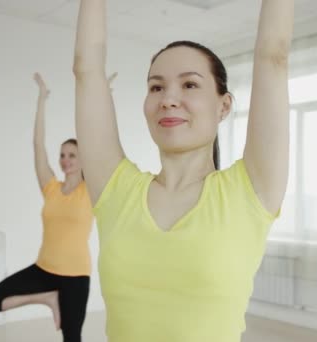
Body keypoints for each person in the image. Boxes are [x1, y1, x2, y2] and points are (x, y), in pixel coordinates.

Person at [72, 0, 294, 340]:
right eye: (156, 87)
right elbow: (86, 69)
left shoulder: (250, 190)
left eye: (189, 84)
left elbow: (273, 56)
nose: (168, 99)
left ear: (224, 106)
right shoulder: (116, 191)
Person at [0, 73, 94, 342]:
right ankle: (47, 298)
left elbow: (98, 143)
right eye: (62, 155)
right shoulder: (51, 188)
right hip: (43, 269)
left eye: (72, 155)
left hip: (75, 275)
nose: (65, 160)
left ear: (83, 159)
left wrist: (99, 98)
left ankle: (55, 298)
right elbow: (37, 146)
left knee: (72, 338)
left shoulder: (90, 191)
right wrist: (42, 100)